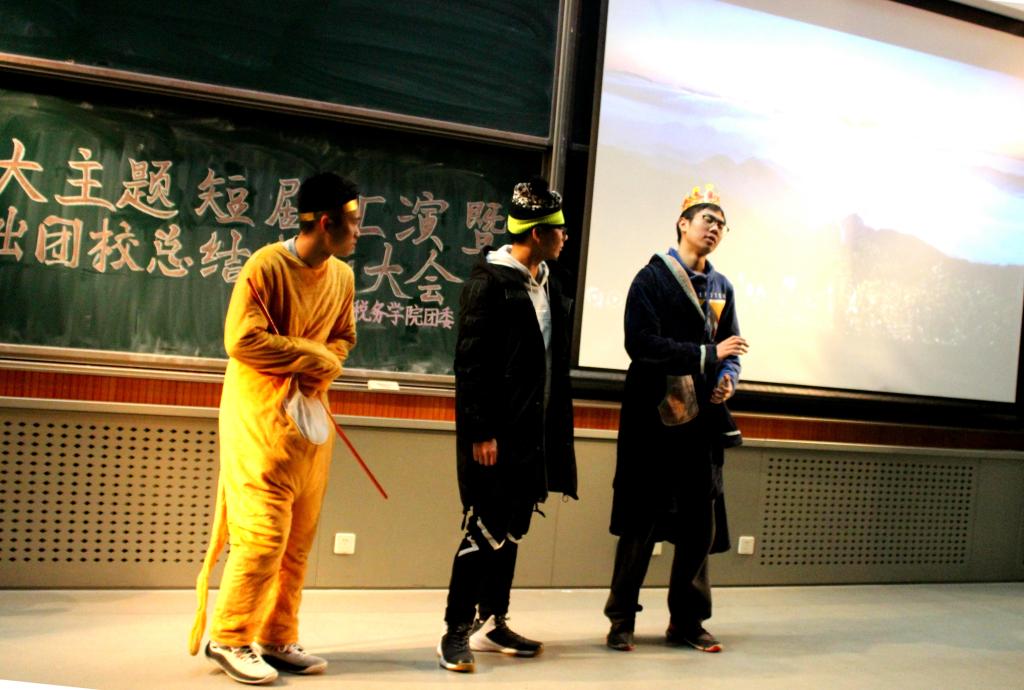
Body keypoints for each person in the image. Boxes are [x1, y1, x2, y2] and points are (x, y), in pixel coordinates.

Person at [188, 172, 360, 685]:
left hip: (309, 422)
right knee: (262, 537)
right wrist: (309, 355)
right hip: (259, 420)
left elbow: (344, 337)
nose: (359, 232)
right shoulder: (265, 266)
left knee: (297, 543)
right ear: (326, 223)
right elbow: (241, 340)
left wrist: (325, 365)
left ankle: (277, 635)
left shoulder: (342, 278)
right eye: (353, 222)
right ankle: (230, 636)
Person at [437, 176, 578, 673]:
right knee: (484, 527)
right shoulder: (489, 284)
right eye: (558, 230)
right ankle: (455, 629)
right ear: (537, 233)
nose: (565, 237)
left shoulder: (548, 281)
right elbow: (471, 365)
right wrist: (481, 431)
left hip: (532, 431)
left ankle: (493, 620)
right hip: (496, 434)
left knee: (514, 526)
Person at [604, 183, 748, 653]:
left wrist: (727, 379)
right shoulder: (651, 279)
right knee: (640, 522)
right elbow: (640, 344)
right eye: (707, 219)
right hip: (653, 419)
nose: (715, 228)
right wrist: (708, 355)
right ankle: (621, 619)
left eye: (722, 224)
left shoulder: (723, 287)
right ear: (683, 224)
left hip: (701, 422)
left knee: (698, 525)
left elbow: (730, 350)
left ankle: (688, 620)